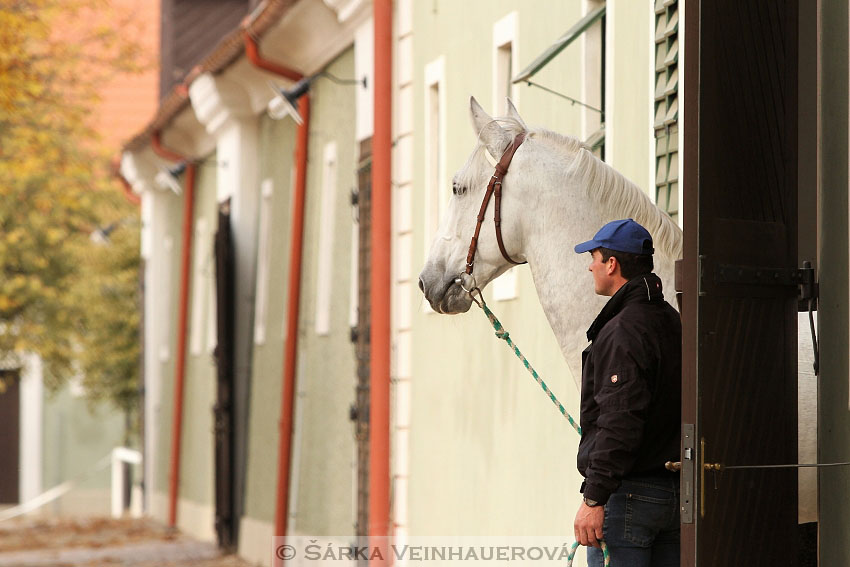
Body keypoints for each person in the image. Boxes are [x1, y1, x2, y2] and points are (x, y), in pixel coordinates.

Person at [572, 218, 682, 567]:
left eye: (594, 256)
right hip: (676, 497)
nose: (590, 266)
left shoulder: (623, 330)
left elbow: (621, 421)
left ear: (612, 264)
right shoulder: (670, 319)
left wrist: (593, 499)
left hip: (629, 499)